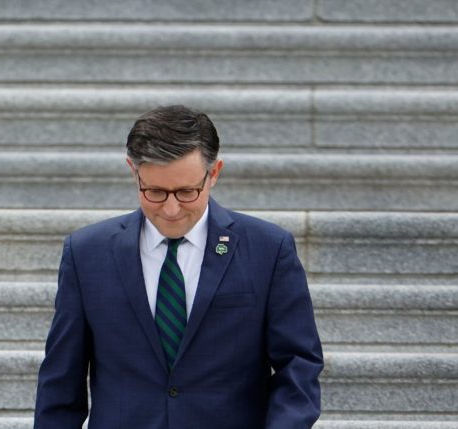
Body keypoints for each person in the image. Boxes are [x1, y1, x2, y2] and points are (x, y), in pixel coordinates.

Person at [34, 105, 323, 428]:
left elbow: (298, 366)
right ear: (133, 171)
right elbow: (61, 384)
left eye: (187, 192)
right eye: (155, 191)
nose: (171, 210)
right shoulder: (87, 253)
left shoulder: (268, 250)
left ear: (214, 174)